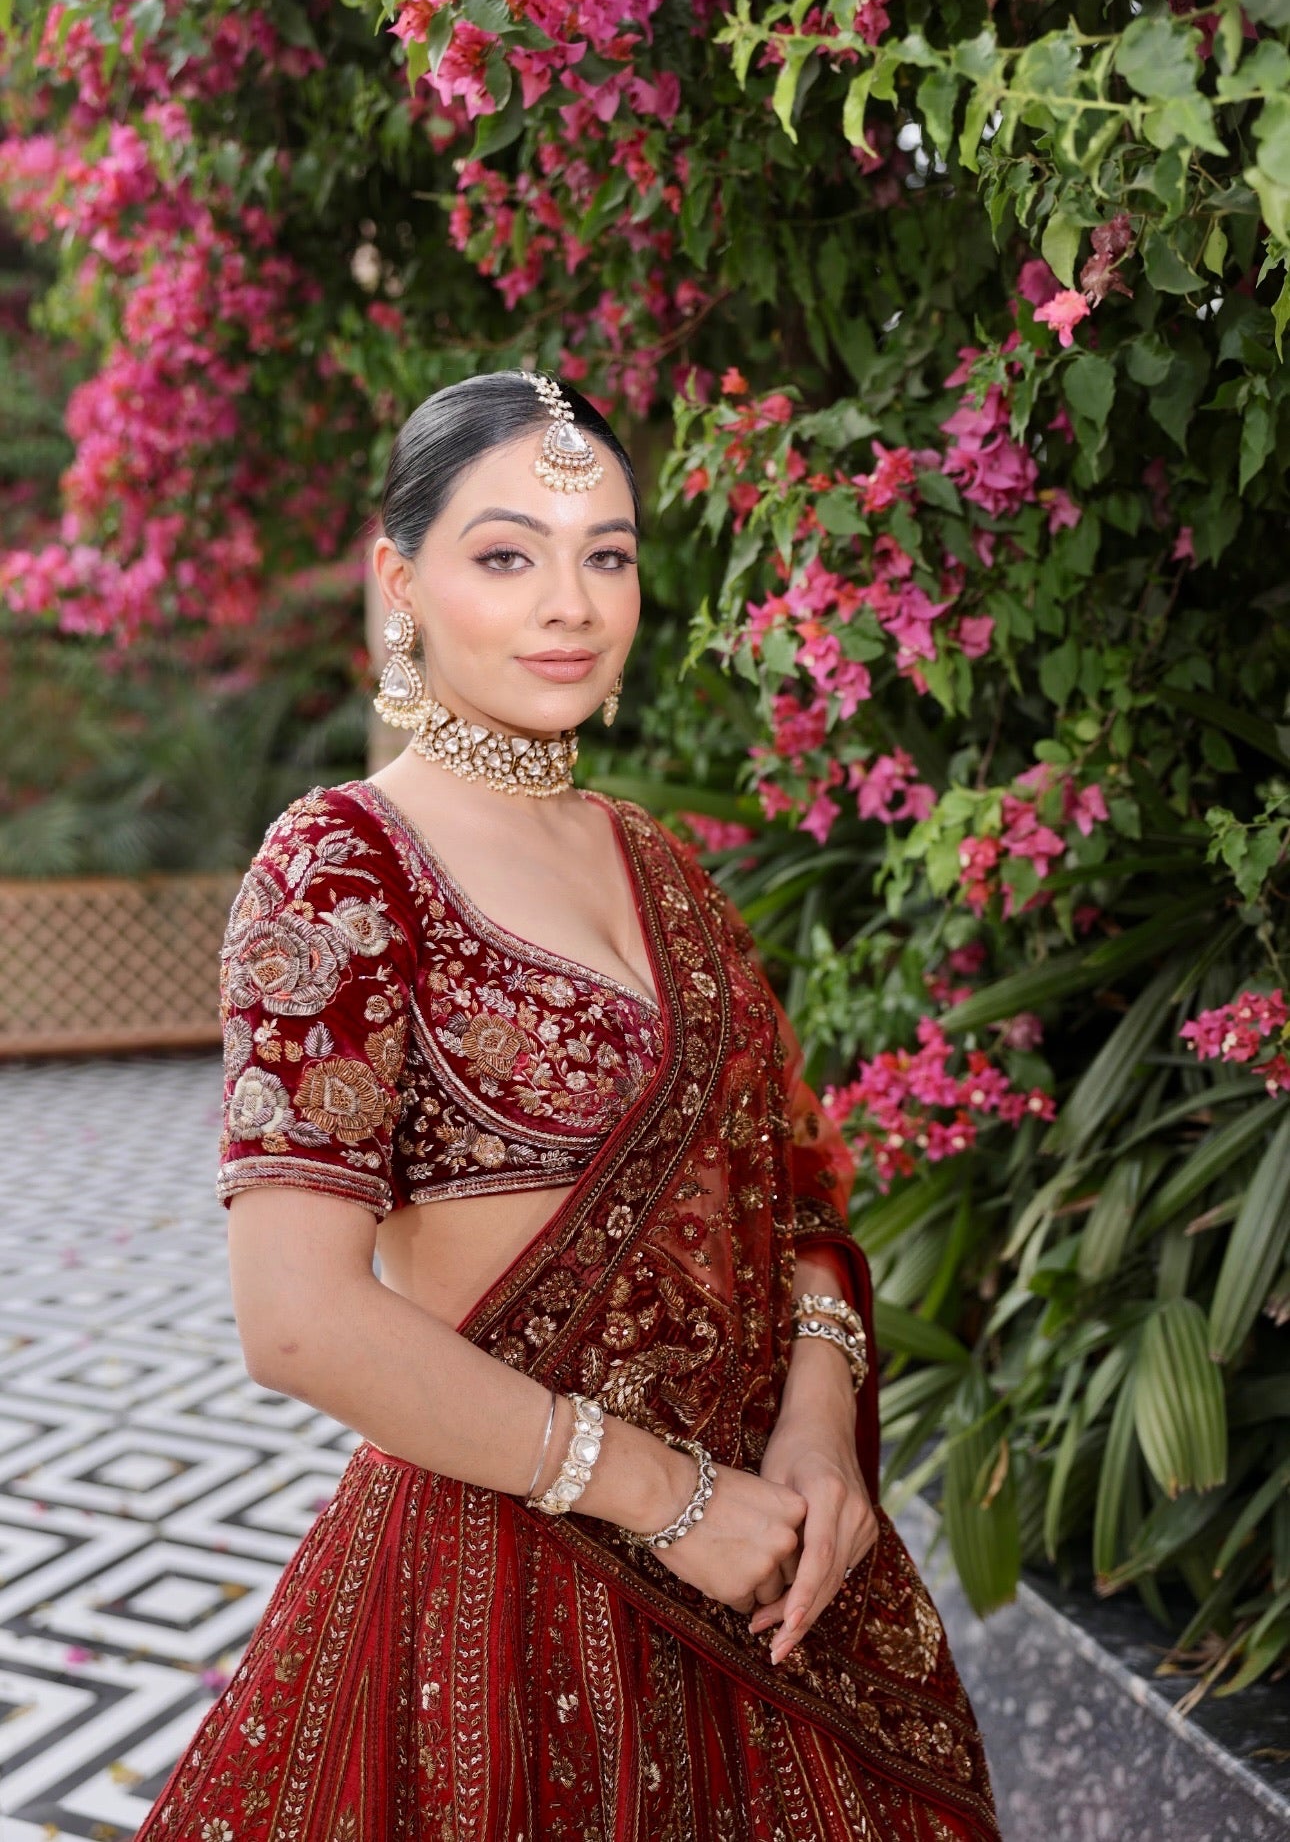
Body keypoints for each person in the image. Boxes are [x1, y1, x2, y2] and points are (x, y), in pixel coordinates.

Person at [135, 371, 1000, 1842]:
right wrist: (666, 1495)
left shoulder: (663, 865)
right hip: (510, 1587)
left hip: (772, 1572)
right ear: (401, 583)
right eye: (505, 553)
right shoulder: (342, 868)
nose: (570, 601)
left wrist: (811, 1433)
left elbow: (790, 1200)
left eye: (605, 550)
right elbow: (297, 1316)